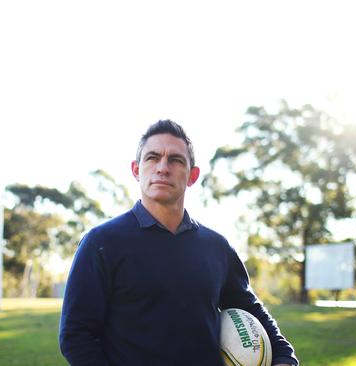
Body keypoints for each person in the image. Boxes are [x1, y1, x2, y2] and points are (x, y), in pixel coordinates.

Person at [59, 120, 299, 366]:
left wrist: (283, 356)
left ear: (192, 175)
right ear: (136, 170)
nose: (163, 168)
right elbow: (76, 335)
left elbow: (250, 310)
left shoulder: (216, 247)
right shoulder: (101, 242)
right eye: (152, 158)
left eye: (175, 160)